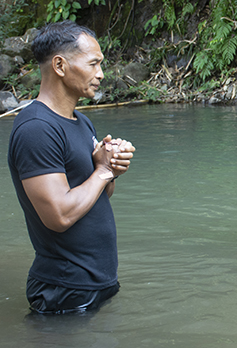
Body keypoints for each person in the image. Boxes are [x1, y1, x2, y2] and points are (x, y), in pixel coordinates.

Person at [7, 20, 136, 314]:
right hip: (63, 288)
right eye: (93, 64)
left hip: (92, 281)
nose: (101, 74)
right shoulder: (37, 128)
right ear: (60, 65)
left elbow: (98, 194)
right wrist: (101, 172)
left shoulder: (80, 121)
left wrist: (110, 168)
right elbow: (59, 215)